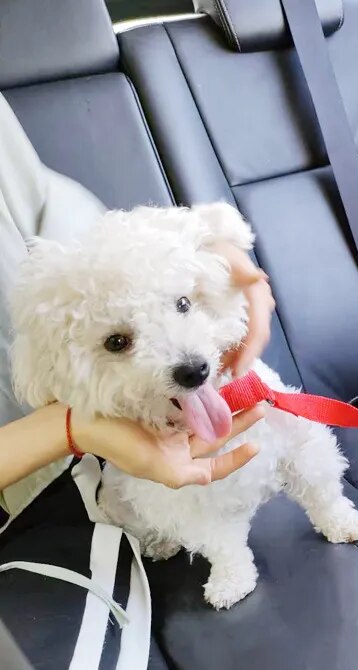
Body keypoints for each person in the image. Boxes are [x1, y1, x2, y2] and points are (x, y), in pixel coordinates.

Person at [0, 94, 275, 506]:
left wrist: (206, 243)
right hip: (49, 499)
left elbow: (73, 224)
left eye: (181, 305)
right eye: (118, 342)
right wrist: (69, 428)